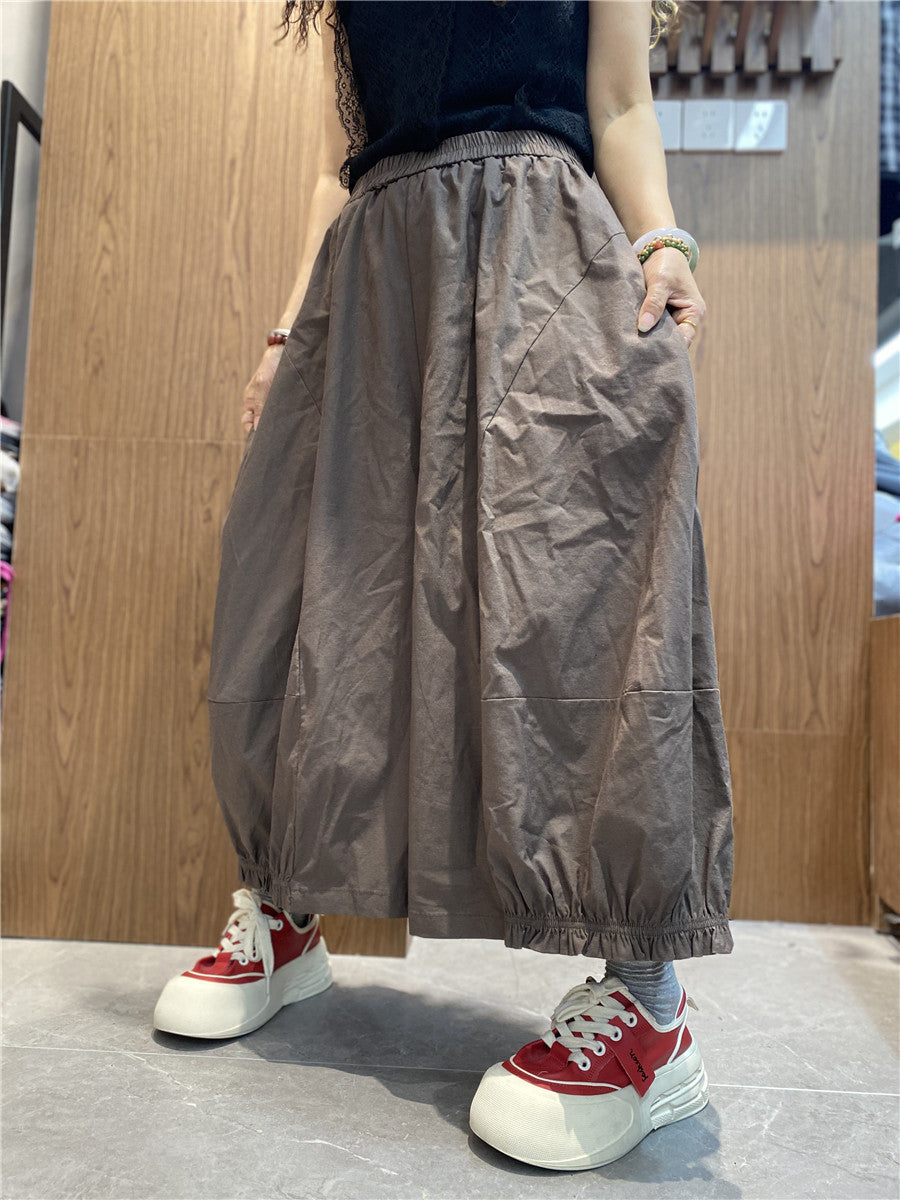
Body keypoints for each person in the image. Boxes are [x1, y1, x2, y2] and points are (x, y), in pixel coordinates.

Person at [154, 0, 735, 1171]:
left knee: (574, 592)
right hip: (377, 266)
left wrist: (662, 244)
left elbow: (620, 101)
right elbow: (342, 159)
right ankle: (286, 909)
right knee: (314, 591)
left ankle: (648, 1003)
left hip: (537, 245)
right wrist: (283, 335)